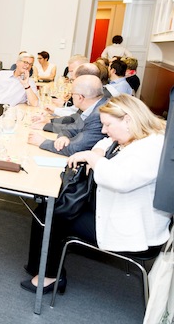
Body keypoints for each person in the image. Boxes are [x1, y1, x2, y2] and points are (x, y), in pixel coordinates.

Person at [22, 95, 171, 294]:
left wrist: (92, 157)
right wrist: (99, 152)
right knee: (49, 209)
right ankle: (39, 267)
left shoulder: (152, 147)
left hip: (133, 228)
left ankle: (50, 277)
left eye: (108, 124)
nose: (104, 130)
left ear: (128, 119)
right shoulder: (139, 135)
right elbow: (105, 141)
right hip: (119, 210)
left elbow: (121, 180)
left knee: (52, 216)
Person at [28, 75, 108, 156]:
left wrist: (43, 142)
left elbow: (76, 148)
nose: (70, 96)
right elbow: (72, 127)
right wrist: (63, 137)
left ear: (80, 98)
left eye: (72, 94)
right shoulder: (90, 105)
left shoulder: (99, 116)